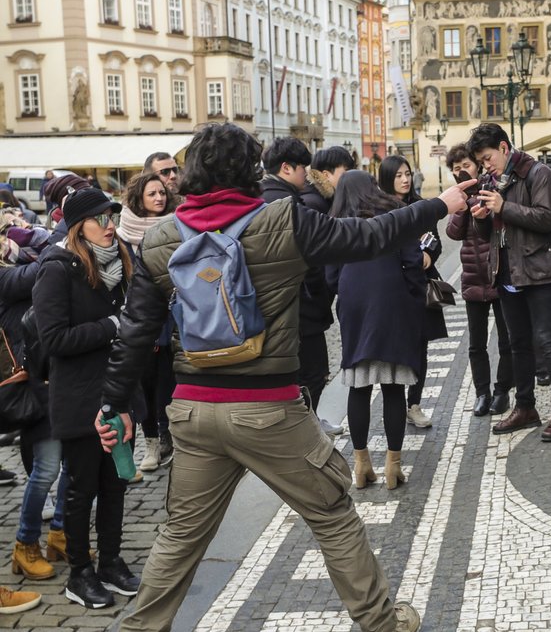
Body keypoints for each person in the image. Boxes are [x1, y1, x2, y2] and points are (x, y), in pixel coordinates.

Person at [95, 123, 474, 632]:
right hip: (269, 411)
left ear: (191, 174)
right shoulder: (283, 220)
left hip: (193, 412)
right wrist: (437, 205)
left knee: (181, 534)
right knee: (333, 515)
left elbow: (136, 332)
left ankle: (139, 628)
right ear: (250, 170)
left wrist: (113, 404)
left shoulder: (161, 237)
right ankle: (383, 623)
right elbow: (370, 236)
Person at [32, 187, 141, 608]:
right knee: (81, 488)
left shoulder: (119, 262)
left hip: (118, 391)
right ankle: (80, 573)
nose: (111, 226)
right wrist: (114, 326)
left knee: (117, 482)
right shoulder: (57, 268)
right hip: (79, 397)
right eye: (101, 219)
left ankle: (111, 562)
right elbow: (54, 339)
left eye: (112, 217)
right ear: (80, 226)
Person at [469, 123, 551, 442]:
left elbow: (545, 218)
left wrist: (504, 207)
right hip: (505, 270)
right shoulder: (491, 179)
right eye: (481, 161)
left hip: (539, 268)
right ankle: (526, 406)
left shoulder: (538, 173)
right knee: (517, 343)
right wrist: (481, 218)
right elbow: (487, 235)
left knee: (546, 339)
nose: (484, 166)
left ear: (504, 148)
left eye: (487, 158)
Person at [326, 171, 426, 489]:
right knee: (394, 386)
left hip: (355, 304)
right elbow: (412, 261)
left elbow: (329, 275)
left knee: (359, 385)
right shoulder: (394, 214)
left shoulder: (336, 224)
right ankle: (393, 467)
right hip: (392, 301)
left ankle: (361, 465)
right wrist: (412, 296)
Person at [0, 225, 68, 581]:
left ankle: (59, 535)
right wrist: (57, 244)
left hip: (60, 380)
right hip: (34, 389)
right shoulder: (8, 276)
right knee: (45, 470)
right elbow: (31, 275)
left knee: (72, 464)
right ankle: (26, 545)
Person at [260, 138, 341, 433]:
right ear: (286, 168)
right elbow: (308, 262)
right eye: (302, 168)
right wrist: (320, 298)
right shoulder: (288, 205)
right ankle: (306, 429)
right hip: (300, 307)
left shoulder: (261, 198)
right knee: (313, 372)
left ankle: (306, 424)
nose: (306, 174)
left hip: (276, 308)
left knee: (295, 374)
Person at [444, 143, 513, 416]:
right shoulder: (457, 198)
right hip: (473, 276)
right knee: (476, 343)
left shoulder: (491, 188)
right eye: (456, 169)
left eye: (466, 166)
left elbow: (495, 229)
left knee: (506, 340)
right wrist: (462, 205)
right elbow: (453, 233)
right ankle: (482, 393)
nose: (462, 171)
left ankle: (502, 391)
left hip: (497, 273)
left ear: (477, 165)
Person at [378, 155, 446, 429]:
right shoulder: (379, 209)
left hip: (420, 284)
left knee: (420, 346)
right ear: (387, 179)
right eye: (398, 175)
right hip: (392, 289)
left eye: (407, 173)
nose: (405, 179)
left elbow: (435, 240)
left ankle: (413, 404)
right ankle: (393, 405)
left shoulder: (421, 206)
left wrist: (428, 254)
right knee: (396, 347)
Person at [117, 173, 177, 472]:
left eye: (162, 192)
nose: (159, 198)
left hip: (174, 317)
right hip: (141, 320)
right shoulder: (123, 236)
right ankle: (152, 441)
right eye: (152, 193)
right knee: (146, 385)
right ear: (139, 198)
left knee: (171, 382)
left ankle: (170, 436)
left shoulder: (176, 227)